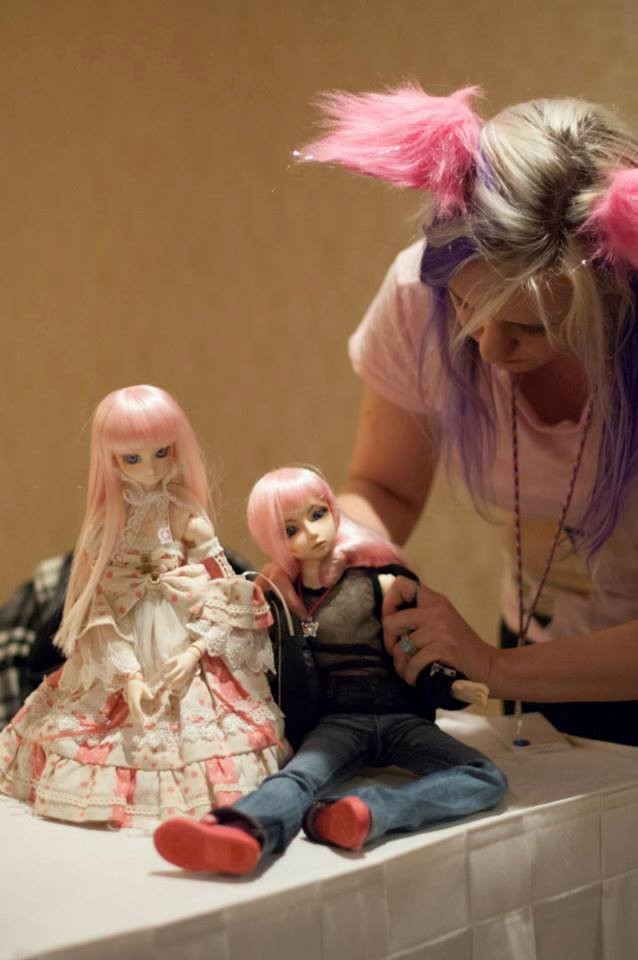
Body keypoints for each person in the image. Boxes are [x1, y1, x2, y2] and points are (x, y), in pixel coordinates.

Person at [288, 84, 638, 745]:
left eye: (531, 328)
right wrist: (337, 558)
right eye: (467, 309)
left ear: (615, 296)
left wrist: (493, 667)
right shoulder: (419, 292)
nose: (489, 348)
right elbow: (386, 488)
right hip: (536, 651)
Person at [153, 467, 506, 874]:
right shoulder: (279, 599)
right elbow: (250, 648)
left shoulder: (381, 582)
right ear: (275, 539)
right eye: (291, 529)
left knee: (486, 776)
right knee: (299, 777)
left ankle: (366, 813)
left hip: (401, 716)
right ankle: (241, 831)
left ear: (333, 510)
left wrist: (450, 683)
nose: (312, 532)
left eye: (317, 514)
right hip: (339, 722)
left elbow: (413, 645)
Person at [0, 385, 288, 827]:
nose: (150, 468)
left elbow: (226, 595)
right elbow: (97, 607)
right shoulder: (106, 526)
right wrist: (129, 674)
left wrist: (195, 650)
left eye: (161, 452)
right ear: (110, 460)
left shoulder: (187, 516)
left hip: (184, 635)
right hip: (123, 635)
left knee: (199, 728)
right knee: (102, 726)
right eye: (132, 458)